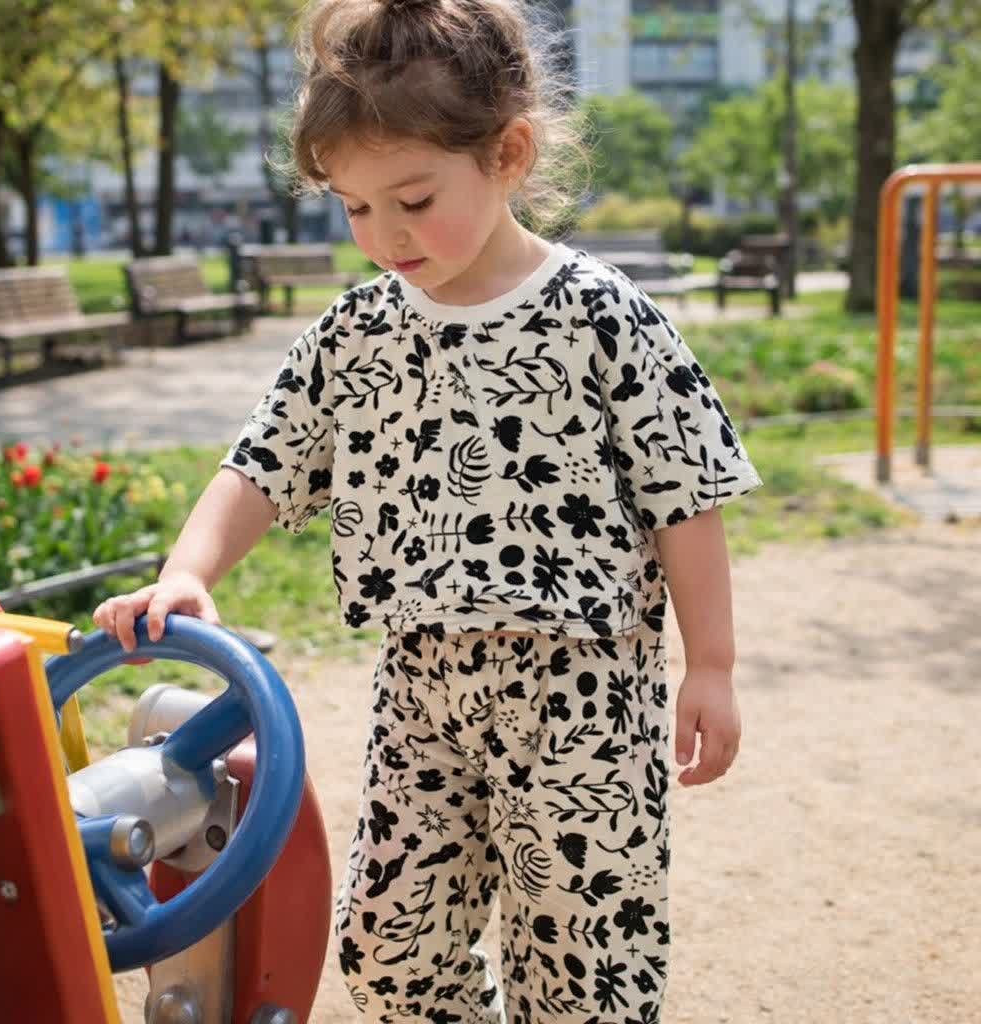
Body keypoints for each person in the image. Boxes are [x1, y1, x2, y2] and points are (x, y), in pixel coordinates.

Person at [93, 0, 763, 1020]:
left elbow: (686, 497)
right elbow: (262, 463)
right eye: (355, 208)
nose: (383, 235)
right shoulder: (356, 333)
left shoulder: (600, 315)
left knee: (583, 967)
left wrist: (709, 662)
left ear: (508, 154)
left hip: (582, 691)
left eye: (412, 199)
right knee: (389, 952)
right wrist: (190, 569)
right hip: (423, 685)